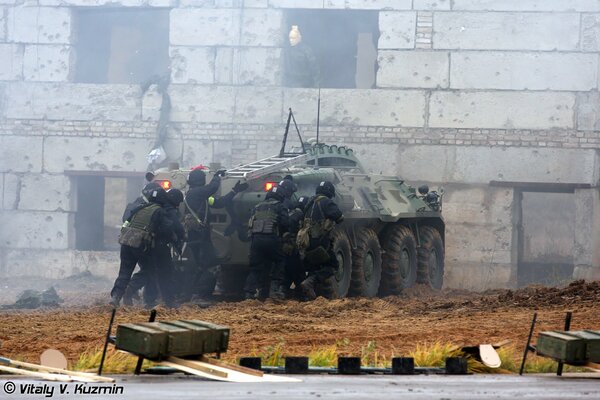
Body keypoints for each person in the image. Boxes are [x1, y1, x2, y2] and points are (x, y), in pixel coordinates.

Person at [183, 167, 247, 302]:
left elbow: (219, 203)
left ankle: (194, 294)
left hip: (199, 238)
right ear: (200, 181)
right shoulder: (196, 193)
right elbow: (212, 188)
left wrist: (234, 191)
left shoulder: (199, 195)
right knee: (210, 266)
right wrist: (217, 175)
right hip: (199, 238)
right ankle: (200, 296)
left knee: (202, 266)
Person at [110, 184, 173, 307]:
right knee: (149, 270)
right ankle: (131, 288)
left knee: (124, 271)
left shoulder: (138, 207)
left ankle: (115, 297)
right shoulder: (159, 210)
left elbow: (126, 219)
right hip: (140, 243)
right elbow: (167, 228)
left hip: (126, 240)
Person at [123, 188, 185, 307]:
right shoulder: (168, 209)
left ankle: (148, 300)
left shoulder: (148, 206)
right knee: (166, 273)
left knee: (150, 272)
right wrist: (179, 238)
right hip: (161, 246)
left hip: (146, 245)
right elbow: (176, 228)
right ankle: (169, 301)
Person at [299, 181, 344, 300]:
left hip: (307, 242)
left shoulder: (309, 202)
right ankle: (310, 282)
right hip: (320, 242)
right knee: (333, 265)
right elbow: (339, 216)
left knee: (314, 266)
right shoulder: (326, 202)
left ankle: (306, 296)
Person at [244, 186, 290, 300]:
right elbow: (285, 223)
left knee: (255, 267)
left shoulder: (257, 207)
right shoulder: (280, 206)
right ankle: (274, 291)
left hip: (256, 240)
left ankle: (249, 294)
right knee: (280, 261)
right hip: (271, 238)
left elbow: (250, 224)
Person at [283, 195, 310, 299]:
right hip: (293, 248)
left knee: (288, 272)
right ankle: (301, 295)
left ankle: (284, 293)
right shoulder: (301, 215)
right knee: (299, 272)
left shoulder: (290, 213)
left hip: (285, 247)